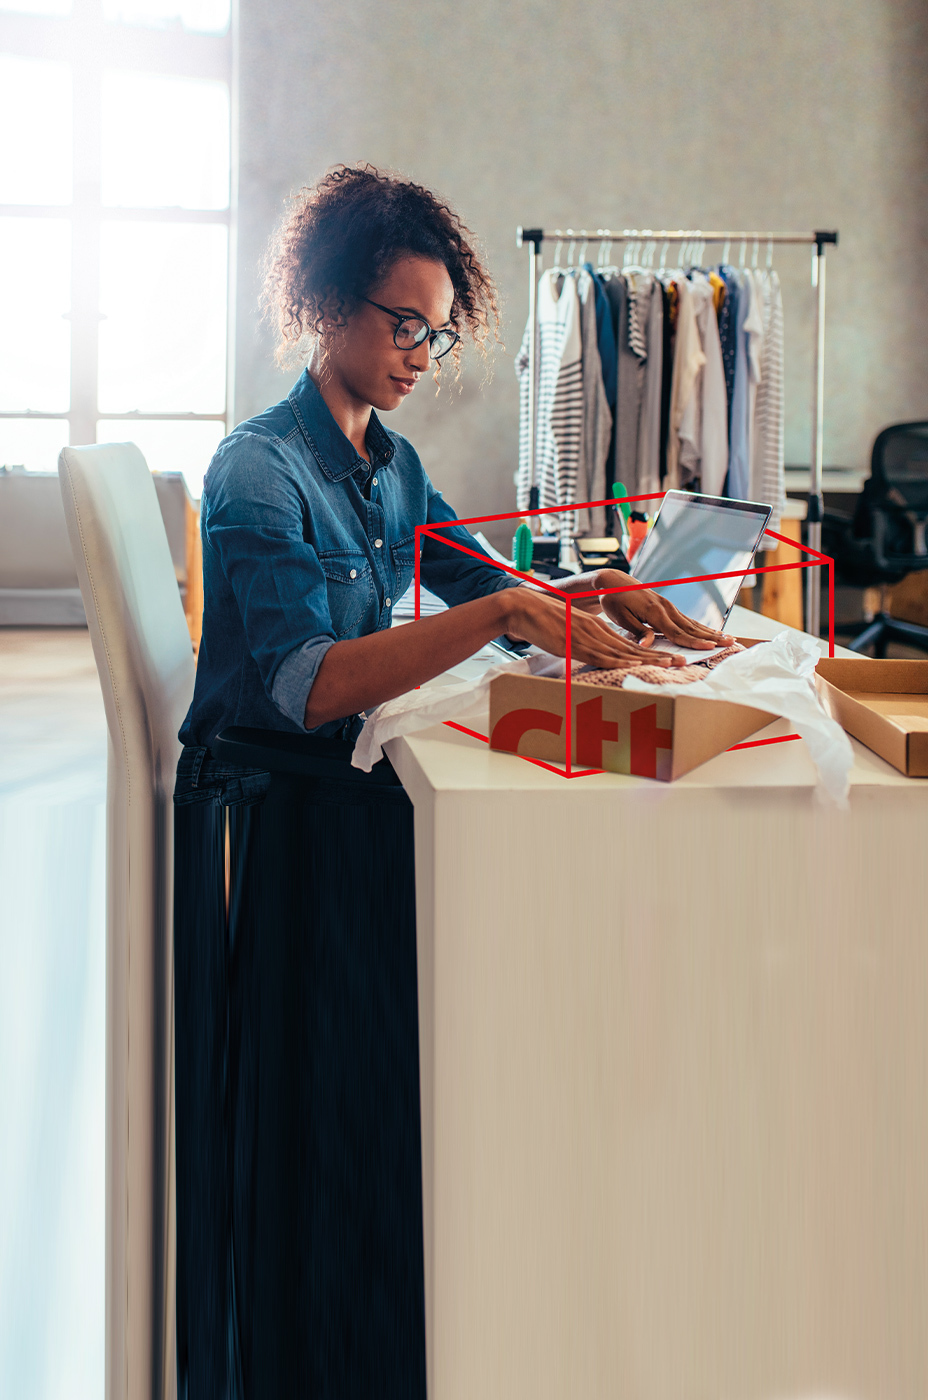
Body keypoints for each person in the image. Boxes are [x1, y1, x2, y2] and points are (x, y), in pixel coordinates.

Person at [173, 164, 728, 1400]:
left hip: (342, 788)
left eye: (437, 329)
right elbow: (304, 686)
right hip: (289, 813)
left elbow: (480, 575)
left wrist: (591, 592)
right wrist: (501, 618)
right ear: (325, 306)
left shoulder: (389, 462)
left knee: (576, 806)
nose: (423, 351)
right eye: (401, 323)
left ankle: (481, 1286)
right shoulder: (259, 470)